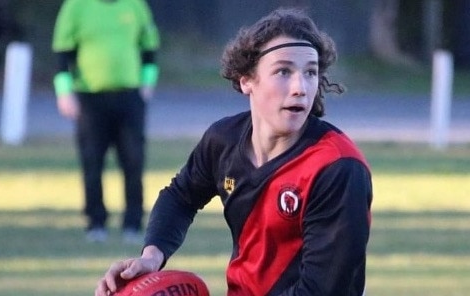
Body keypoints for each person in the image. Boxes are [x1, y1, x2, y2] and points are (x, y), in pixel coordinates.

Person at [95, 7, 372, 295]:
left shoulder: (338, 167)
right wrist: (151, 257)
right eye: (283, 71)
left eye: (310, 72)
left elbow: (324, 290)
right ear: (246, 80)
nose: (300, 87)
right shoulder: (223, 141)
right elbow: (180, 196)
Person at [51, 0, 160, 243]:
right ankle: (95, 223)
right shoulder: (76, 7)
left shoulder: (135, 6)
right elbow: (62, 54)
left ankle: (133, 223)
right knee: (92, 161)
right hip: (90, 98)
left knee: (133, 160)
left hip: (129, 96)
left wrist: (147, 84)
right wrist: (64, 92)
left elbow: (149, 48)